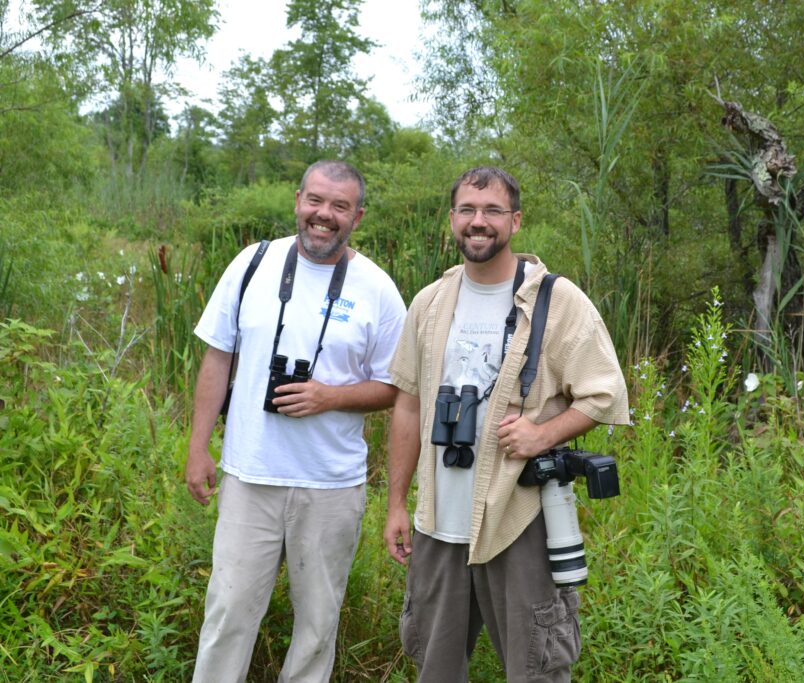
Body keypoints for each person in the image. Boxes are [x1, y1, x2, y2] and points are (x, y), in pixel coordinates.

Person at [384, 166, 629, 682]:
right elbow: (407, 404)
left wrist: (543, 435)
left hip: (518, 518)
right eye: (467, 210)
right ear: (452, 218)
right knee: (434, 666)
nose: (479, 221)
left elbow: (605, 393)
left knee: (536, 667)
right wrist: (397, 504)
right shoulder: (429, 302)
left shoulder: (557, 300)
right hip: (438, 521)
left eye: (493, 210)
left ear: (515, 221)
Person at [185, 160, 406, 682]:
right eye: (315, 200)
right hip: (250, 475)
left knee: (317, 626)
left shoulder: (377, 288)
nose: (324, 214)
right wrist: (198, 448)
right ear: (297, 201)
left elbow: (396, 387)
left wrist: (329, 397)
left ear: (357, 216)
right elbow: (217, 358)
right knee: (227, 613)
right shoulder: (252, 264)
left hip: (330, 485)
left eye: (340, 206)